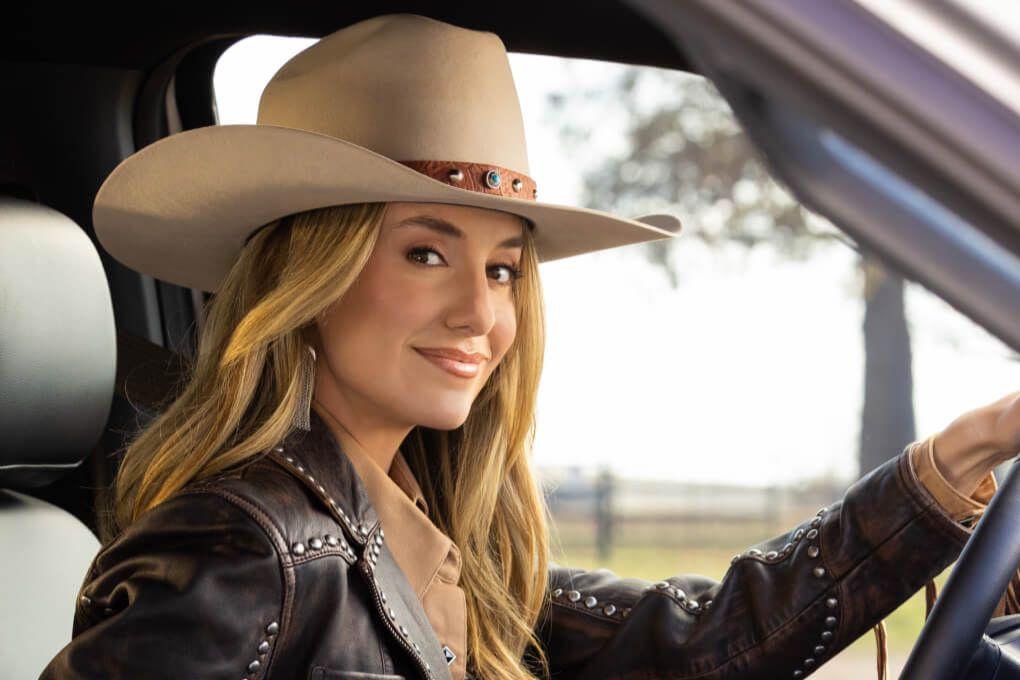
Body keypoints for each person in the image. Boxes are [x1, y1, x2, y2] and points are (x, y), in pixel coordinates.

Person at [41, 13, 1020, 680]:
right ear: (310, 277)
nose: (480, 312)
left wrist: (956, 458)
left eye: (505, 268)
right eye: (427, 253)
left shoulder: (437, 533)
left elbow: (694, 644)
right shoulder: (245, 550)